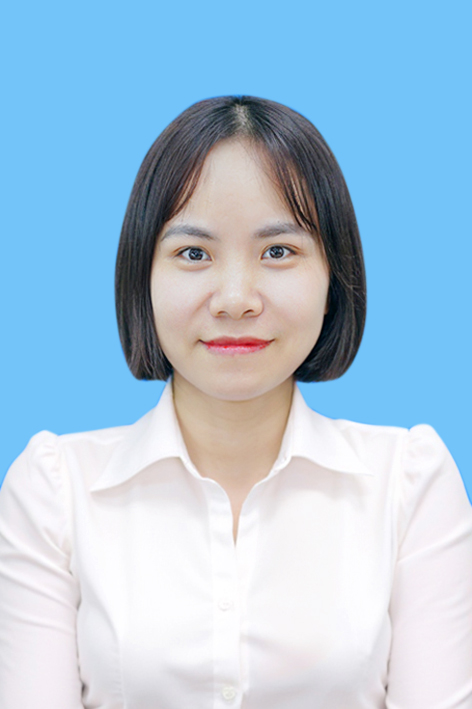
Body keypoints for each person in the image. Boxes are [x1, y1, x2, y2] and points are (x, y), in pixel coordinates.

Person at [0, 95, 471, 709]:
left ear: (333, 277)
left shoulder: (409, 484)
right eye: (193, 254)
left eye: (278, 252)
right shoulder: (55, 491)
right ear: (143, 276)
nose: (235, 299)